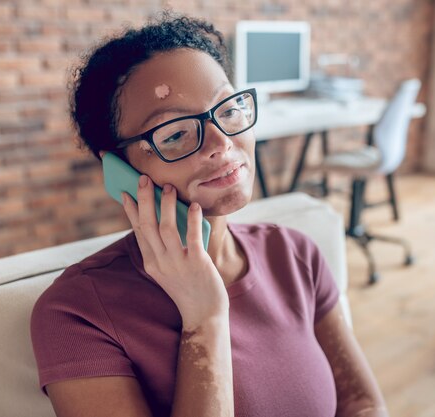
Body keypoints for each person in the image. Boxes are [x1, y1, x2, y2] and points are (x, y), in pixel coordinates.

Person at [30, 10, 388, 417]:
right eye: (176, 133)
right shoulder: (77, 313)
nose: (222, 142)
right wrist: (205, 319)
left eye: (229, 110)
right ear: (119, 168)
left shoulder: (294, 254)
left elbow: (363, 403)